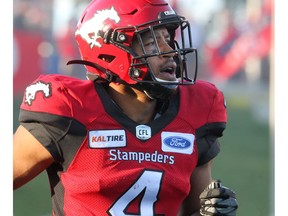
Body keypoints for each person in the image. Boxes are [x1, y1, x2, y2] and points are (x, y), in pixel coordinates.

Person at [13, 0, 238, 215]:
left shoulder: (193, 112)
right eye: (151, 43)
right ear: (109, 50)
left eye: (167, 39)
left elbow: (191, 209)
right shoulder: (71, 109)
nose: (169, 51)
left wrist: (211, 211)